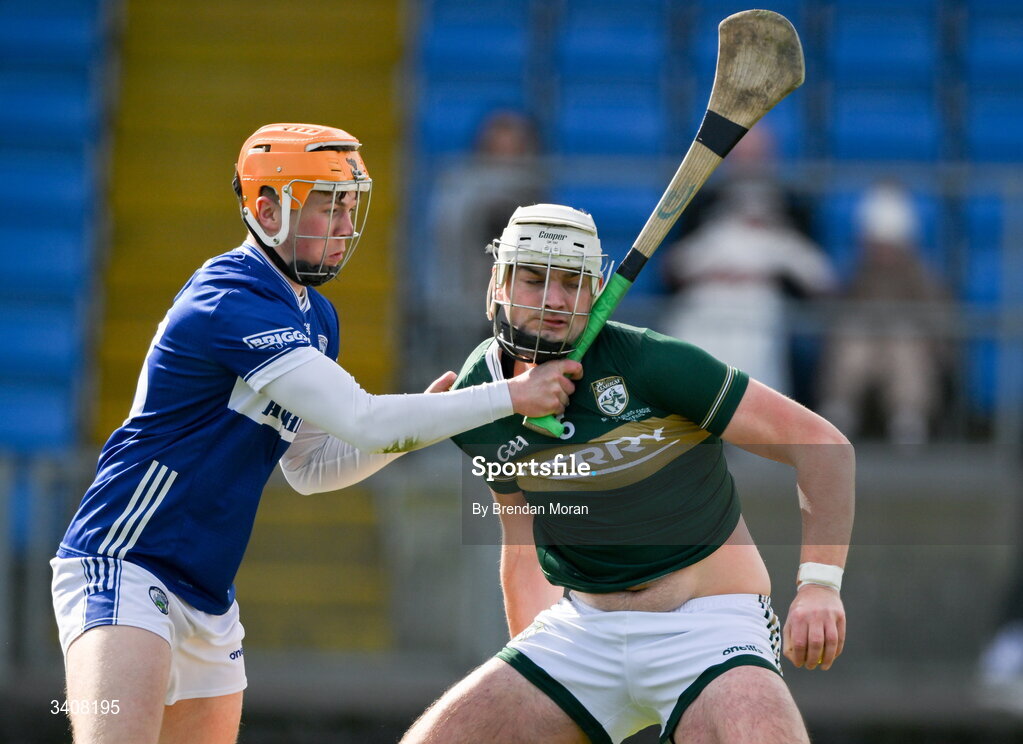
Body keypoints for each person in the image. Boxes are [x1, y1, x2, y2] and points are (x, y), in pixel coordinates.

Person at [49, 123, 580, 744]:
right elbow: (362, 419)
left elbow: (310, 468)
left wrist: (432, 425)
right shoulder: (230, 298)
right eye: (327, 206)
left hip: (209, 596)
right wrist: (506, 397)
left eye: (349, 205)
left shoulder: (316, 317)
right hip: (125, 564)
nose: (343, 225)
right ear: (265, 208)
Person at [401, 204, 854, 744]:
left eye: (572, 283)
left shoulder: (651, 363)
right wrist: (544, 676)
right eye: (534, 279)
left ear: (595, 292)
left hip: (710, 627)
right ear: (498, 282)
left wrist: (820, 586)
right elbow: (522, 546)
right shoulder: (476, 402)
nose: (553, 300)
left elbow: (824, 447)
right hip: (583, 630)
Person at [661, 128, 834, 397]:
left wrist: (774, 238)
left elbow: (818, 277)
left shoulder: (793, 206)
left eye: (755, 156)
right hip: (705, 297)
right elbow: (673, 267)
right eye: (740, 156)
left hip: (761, 299)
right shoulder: (703, 202)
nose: (747, 165)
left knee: (753, 344)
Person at [817, 181, 950, 445]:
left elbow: (941, 324)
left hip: (906, 349)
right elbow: (839, 314)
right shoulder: (858, 274)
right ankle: (839, 410)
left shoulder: (924, 278)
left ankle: (909, 418)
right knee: (853, 338)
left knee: (905, 342)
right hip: (867, 346)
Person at [421, 109, 546, 370]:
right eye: (497, 150)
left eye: (514, 151)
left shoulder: (542, 202)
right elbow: (445, 247)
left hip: (516, 313)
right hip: (462, 307)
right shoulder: (457, 193)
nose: (506, 163)